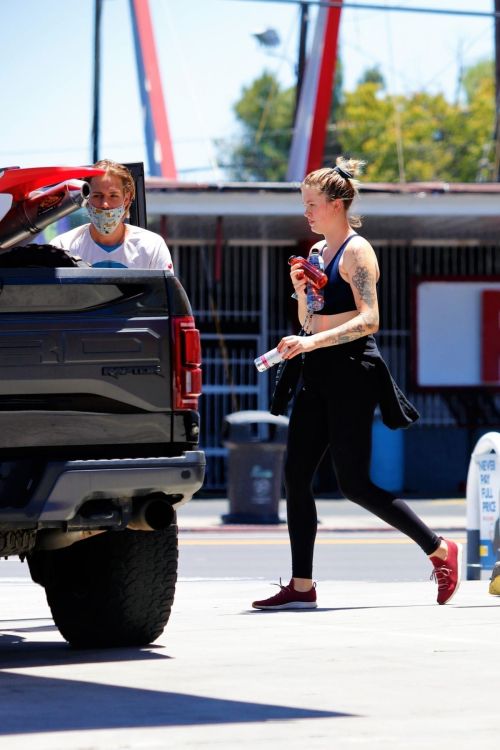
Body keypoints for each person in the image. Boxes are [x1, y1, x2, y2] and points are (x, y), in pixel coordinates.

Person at [252, 157, 462, 610]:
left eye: (313, 204)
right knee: (295, 475)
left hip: (352, 370)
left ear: (337, 203)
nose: (306, 212)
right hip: (317, 370)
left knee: (354, 484)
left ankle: (441, 549)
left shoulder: (357, 251)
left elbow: (370, 320)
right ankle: (302, 585)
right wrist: (301, 295)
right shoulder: (314, 254)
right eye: (304, 204)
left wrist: (311, 343)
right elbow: (310, 320)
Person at [51, 159, 174, 271]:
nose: (105, 204)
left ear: (126, 199)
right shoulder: (63, 247)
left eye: (113, 196)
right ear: (86, 199)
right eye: (97, 196)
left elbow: (164, 294)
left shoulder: (152, 247)